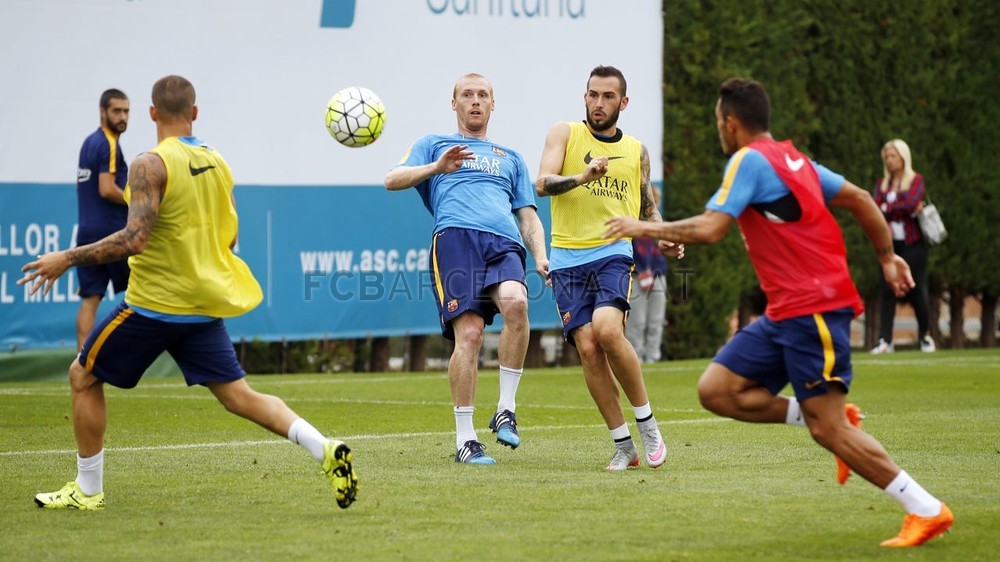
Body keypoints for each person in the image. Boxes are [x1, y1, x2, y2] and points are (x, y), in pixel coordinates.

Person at [604, 77, 953, 547]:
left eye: (717, 122)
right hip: (785, 312)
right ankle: (832, 418)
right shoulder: (796, 160)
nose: (719, 131)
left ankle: (926, 509)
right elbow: (861, 200)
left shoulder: (747, 159)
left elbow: (712, 228)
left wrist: (641, 226)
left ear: (730, 123)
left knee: (827, 429)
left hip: (815, 309)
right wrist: (887, 257)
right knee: (717, 390)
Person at [19, 75, 358, 510]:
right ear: (195, 113)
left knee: (82, 376)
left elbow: (134, 239)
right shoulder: (217, 162)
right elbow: (231, 239)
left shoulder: (149, 163)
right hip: (201, 306)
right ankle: (325, 448)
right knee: (240, 397)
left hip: (154, 306)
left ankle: (87, 490)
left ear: (151, 114)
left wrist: (66, 257)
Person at [385, 73, 548, 465]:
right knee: (471, 334)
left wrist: (541, 255)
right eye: (467, 95)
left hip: (504, 242)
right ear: (453, 103)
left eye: (483, 95)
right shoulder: (434, 144)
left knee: (518, 304)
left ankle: (505, 409)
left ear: (493, 104)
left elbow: (527, 216)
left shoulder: (511, 158)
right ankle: (465, 439)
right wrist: (436, 168)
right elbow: (392, 179)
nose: (475, 101)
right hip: (456, 239)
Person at [536, 65, 681, 471]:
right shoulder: (564, 133)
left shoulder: (636, 150)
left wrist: (663, 236)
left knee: (606, 330)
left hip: (613, 253)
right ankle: (624, 445)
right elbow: (542, 183)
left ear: (623, 102)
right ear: (585, 97)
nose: (598, 103)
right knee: (587, 348)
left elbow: (646, 208)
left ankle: (648, 425)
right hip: (566, 258)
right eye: (593, 95)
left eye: (608, 97)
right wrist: (582, 176)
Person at [74, 89, 132, 350]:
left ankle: (81, 362)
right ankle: (129, 352)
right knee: (145, 292)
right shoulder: (108, 143)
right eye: (116, 111)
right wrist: (138, 202)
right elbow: (107, 189)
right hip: (112, 234)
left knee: (90, 298)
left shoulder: (88, 142)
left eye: (126, 111)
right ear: (102, 112)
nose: (122, 117)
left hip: (86, 232)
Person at [870, 139, 935, 354]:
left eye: (893, 156)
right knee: (887, 291)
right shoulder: (881, 184)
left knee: (915, 289)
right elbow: (875, 207)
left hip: (913, 244)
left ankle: (925, 336)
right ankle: (885, 340)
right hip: (889, 246)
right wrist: (899, 205)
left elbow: (911, 203)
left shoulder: (916, 180)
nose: (889, 161)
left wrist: (889, 206)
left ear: (903, 157)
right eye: (886, 157)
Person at [626, 185, 669, 364]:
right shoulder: (630, 223)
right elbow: (630, 250)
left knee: (656, 319)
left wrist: (653, 272)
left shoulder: (659, 224)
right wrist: (641, 271)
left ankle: (652, 356)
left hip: (658, 276)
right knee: (637, 320)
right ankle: (636, 357)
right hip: (636, 277)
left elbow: (661, 252)